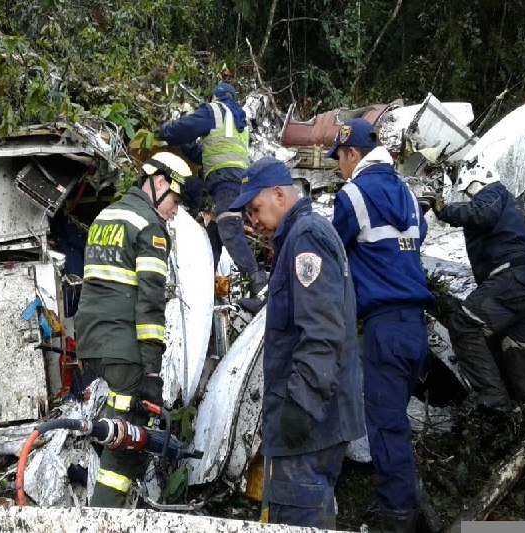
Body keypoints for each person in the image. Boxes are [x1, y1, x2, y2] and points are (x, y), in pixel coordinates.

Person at [228, 156, 364, 529]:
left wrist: (300, 405)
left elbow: (321, 330)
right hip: (316, 418)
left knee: (297, 519)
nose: (253, 221)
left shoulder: (305, 237)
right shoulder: (300, 236)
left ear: (278, 195)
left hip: (311, 423)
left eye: (255, 208)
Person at [74, 151, 202, 508]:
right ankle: (103, 519)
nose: (175, 211)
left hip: (91, 344)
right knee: (127, 444)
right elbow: (149, 306)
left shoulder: (106, 216)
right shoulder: (150, 227)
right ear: (159, 183)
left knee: (108, 428)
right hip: (125, 352)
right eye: (175, 201)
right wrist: (151, 371)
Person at [328, 118, 434, 532]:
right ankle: (407, 498)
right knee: (396, 420)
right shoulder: (406, 192)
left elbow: (330, 248)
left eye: (339, 157)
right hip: (415, 328)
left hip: (383, 327)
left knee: (386, 426)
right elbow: (418, 234)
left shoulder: (352, 194)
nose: (338, 166)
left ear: (352, 153)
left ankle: (396, 517)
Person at [431, 163, 525, 415]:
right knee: (519, 348)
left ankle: (491, 397)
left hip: (510, 278)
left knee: (464, 323)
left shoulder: (493, 193)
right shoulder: (510, 205)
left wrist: (445, 211)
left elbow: (481, 213)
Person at [159, 82, 267, 310]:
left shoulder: (215, 110)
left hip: (225, 181)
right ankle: (204, 290)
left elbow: (181, 129)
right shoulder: (239, 123)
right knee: (213, 237)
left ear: (215, 97)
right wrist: (189, 147)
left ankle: (262, 289)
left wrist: (165, 131)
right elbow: (207, 153)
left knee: (229, 230)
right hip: (235, 181)